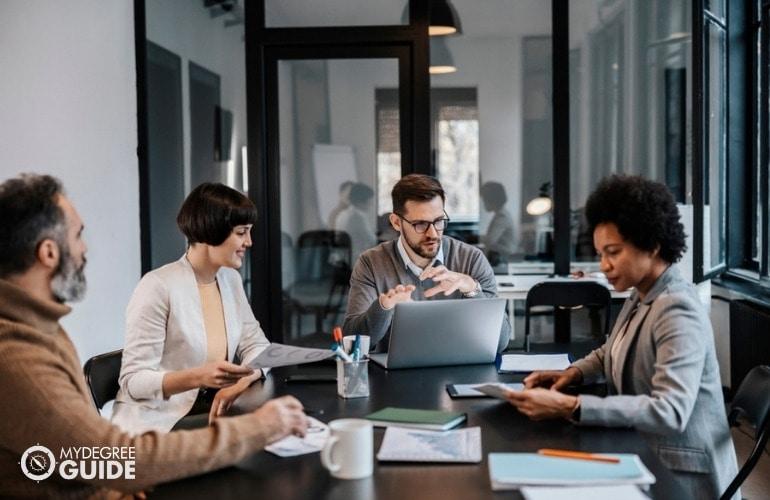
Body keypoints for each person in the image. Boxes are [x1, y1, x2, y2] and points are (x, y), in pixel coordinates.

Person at [0, 174, 307, 498]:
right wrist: (258, 427)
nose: (85, 248)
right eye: (78, 235)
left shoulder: (43, 328)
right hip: (151, 433)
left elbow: (78, 460)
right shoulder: (19, 356)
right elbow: (110, 459)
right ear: (48, 253)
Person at [504, 175, 738, 498]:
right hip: (642, 452)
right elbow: (610, 349)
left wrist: (570, 406)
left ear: (651, 244)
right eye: (600, 253)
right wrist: (571, 373)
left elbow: (669, 412)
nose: (605, 265)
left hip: (681, 478)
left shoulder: (677, 308)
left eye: (613, 252)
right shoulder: (642, 292)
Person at [112, 183, 274, 434]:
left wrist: (245, 378)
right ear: (213, 231)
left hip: (209, 409)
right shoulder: (157, 286)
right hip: (159, 420)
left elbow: (257, 344)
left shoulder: (230, 280)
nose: (249, 242)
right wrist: (198, 376)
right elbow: (133, 381)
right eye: (242, 232)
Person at [343, 174, 511, 352]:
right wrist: (384, 306)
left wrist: (472, 290)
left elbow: (500, 342)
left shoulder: (472, 259)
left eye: (438, 221)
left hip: (461, 371)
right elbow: (353, 346)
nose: (432, 233)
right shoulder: (371, 263)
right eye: (420, 224)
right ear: (396, 222)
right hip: (396, 377)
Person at [335, 182, 377, 262]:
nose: (371, 205)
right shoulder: (358, 216)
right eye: (370, 202)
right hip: (355, 260)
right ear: (361, 201)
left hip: (343, 258)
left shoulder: (342, 214)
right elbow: (372, 240)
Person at [479, 181, 516, 264]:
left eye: (484, 199)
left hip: (503, 260)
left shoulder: (502, 217)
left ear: (492, 199)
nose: (483, 203)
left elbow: (490, 240)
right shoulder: (501, 214)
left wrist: (471, 238)